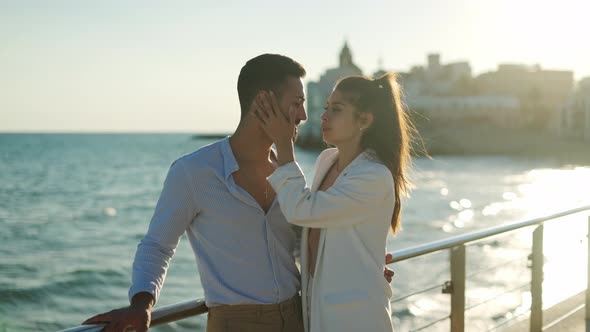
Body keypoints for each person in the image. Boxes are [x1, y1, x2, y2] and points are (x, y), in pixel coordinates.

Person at [82, 54, 394, 332]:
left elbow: (304, 241)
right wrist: (142, 304)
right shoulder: (194, 172)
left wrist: (357, 264)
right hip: (235, 324)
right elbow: (157, 246)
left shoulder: (290, 176)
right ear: (264, 102)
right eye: (296, 103)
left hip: (301, 318)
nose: (303, 116)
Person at [254, 72, 414, 331]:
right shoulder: (326, 161)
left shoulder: (374, 176)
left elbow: (301, 210)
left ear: (365, 120)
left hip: (356, 317)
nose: (323, 115)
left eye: (336, 109)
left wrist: (283, 146)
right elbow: (313, 227)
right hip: (318, 308)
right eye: (327, 107)